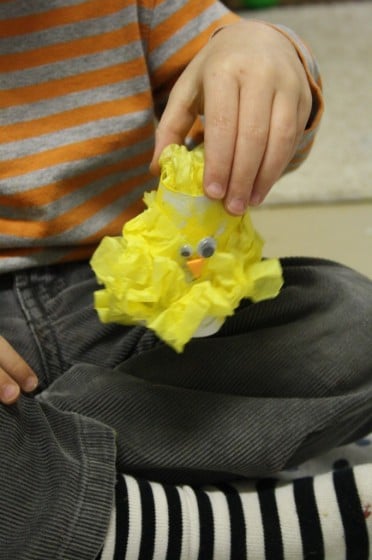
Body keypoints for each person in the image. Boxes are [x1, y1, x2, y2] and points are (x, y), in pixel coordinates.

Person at [0, 1, 372, 558]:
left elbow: (245, 79)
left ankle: (48, 474)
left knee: (354, 317)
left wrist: (265, 56)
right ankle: (195, 530)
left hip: (129, 319)